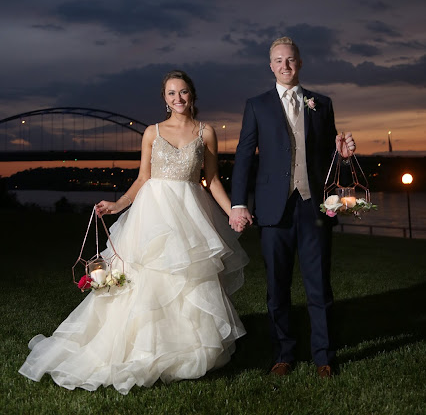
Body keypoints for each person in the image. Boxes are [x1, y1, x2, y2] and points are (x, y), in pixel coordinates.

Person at [19, 70, 248, 394]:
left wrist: (233, 211)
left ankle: (182, 353)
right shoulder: (152, 133)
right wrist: (118, 204)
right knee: (144, 279)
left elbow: (211, 180)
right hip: (152, 213)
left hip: (189, 212)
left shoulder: (206, 132)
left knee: (186, 281)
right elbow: (142, 178)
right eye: (171, 93)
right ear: (164, 98)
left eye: (183, 92)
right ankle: (137, 349)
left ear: (192, 95)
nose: (178, 99)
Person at [229, 37, 355, 379]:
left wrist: (341, 155)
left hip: (313, 206)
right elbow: (244, 156)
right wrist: (239, 202)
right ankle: (284, 354)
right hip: (273, 210)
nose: (285, 65)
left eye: (290, 59)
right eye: (278, 60)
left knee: (318, 286)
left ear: (299, 62)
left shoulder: (322, 104)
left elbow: (328, 160)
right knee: (277, 287)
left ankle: (323, 357)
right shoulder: (256, 105)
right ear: (270, 66)